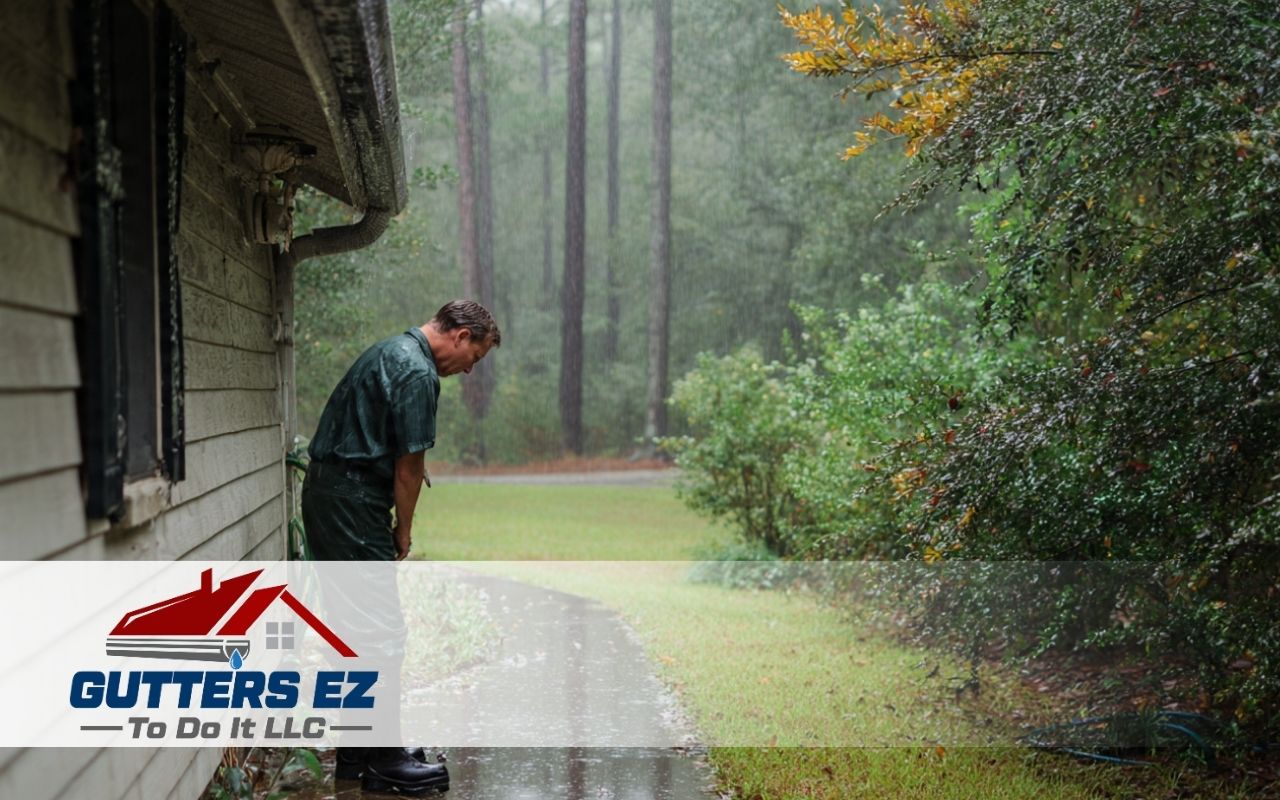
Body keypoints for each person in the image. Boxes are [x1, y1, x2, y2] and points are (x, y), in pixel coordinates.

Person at [302, 299, 500, 794]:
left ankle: (358, 754)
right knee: (380, 632)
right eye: (474, 357)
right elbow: (409, 469)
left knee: (356, 631)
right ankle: (385, 761)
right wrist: (403, 531)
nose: (469, 369)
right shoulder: (418, 372)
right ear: (460, 335)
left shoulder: (392, 351)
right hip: (352, 503)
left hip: (334, 495)